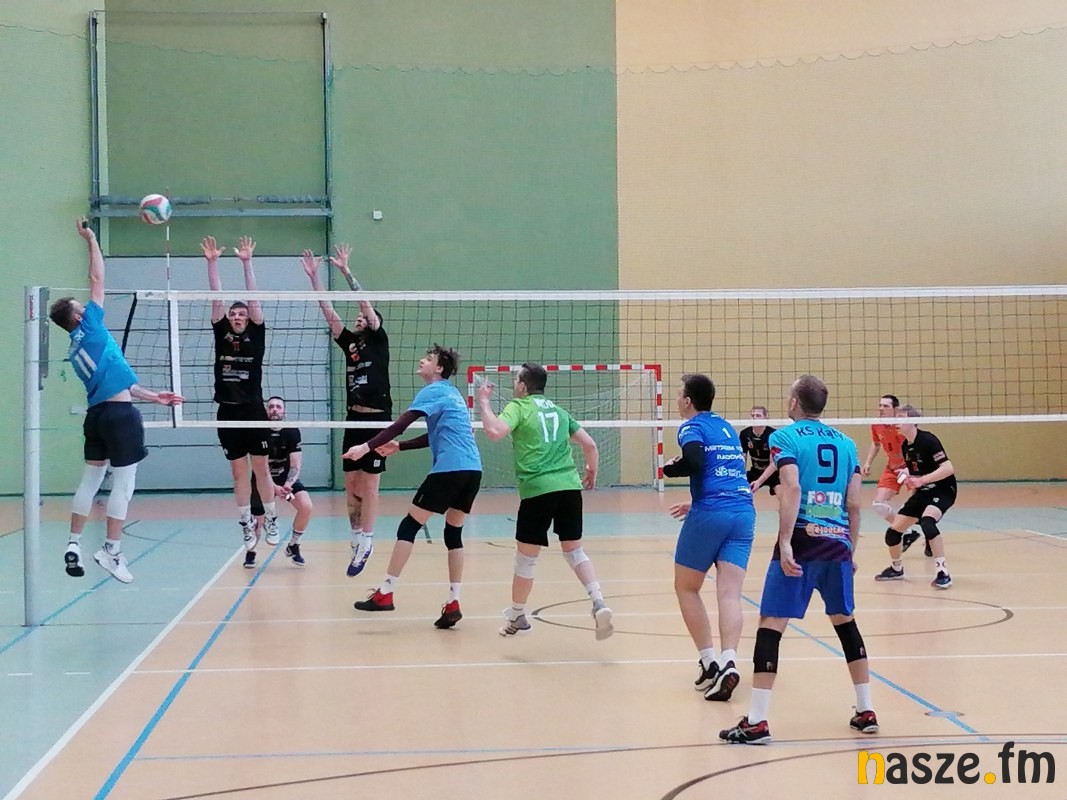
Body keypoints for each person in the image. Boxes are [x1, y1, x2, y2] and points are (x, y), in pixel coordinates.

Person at [720, 375, 877, 744]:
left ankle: (757, 721)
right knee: (845, 622)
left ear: (794, 403)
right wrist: (851, 550)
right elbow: (854, 504)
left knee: (771, 624)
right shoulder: (848, 444)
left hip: (803, 541)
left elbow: (791, 486)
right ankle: (866, 709)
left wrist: (786, 542)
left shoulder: (785, 438)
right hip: (837, 543)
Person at [49, 218, 184, 583]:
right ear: (79, 316)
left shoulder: (75, 350)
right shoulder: (91, 326)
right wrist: (91, 239)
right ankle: (111, 551)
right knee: (124, 483)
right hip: (120, 417)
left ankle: (74, 543)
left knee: (90, 480)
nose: (88, 304)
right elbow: (97, 278)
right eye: (82, 305)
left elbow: (117, 384)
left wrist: (153, 396)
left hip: (97, 416)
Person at [345, 345, 482, 629]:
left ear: (439, 368)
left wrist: (365, 447)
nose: (422, 360)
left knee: (408, 527)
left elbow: (400, 424)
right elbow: (437, 435)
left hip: (449, 469)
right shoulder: (452, 394)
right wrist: (400, 447)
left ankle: (386, 593)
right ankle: (453, 602)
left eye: (428, 359)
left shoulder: (433, 390)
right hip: (472, 470)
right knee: (453, 533)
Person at [476, 363, 613, 639]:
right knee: (574, 551)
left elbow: (494, 431)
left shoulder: (519, 407)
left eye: (516, 380)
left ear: (523, 385)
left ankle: (518, 615)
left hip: (538, 489)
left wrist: (484, 402)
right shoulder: (559, 412)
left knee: (526, 559)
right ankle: (598, 601)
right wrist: (591, 471)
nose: (513, 384)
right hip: (569, 488)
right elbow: (590, 445)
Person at [300, 244, 392, 577]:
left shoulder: (378, 339)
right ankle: (355, 537)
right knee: (351, 482)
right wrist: (314, 278)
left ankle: (367, 541)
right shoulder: (351, 344)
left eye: (365, 317)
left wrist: (345, 270)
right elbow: (328, 313)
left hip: (377, 419)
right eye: (359, 318)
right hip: (353, 418)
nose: (360, 318)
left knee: (370, 484)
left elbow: (365, 305)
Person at [663, 374, 756, 702]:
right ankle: (729, 662)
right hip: (743, 513)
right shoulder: (726, 427)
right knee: (730, 595)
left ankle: (708, 662)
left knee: (686, 587)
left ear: (688, 401)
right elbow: (726, 470)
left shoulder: (691, 427)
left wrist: (670, 469)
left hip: (712, 513)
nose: (677, 400)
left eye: (679, 395)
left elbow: (695, 461)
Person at [203, 235, 276, 553]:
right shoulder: (221, 331)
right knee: (237, 473)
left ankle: (271, 518)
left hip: (253, 410)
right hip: (227, 411)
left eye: (241, 315)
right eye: (234, 314)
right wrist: (212, 264)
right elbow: (216, 299)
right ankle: (246, 524)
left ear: (248, 319)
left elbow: (254, 299)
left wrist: (247, 262)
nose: (237, 317)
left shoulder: (256, 333)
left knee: (261, 469)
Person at [874, 405, 957, 589]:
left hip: (943, 490)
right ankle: (897, 569)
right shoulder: (906, 445)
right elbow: (916, 471)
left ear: (912, 421)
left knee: (928, 522)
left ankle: (943, 572)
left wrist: (921, 480)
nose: (896, 421)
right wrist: (908, 476)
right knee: (893, 533)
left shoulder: (928, 440)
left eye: (900, 418)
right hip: (923, 492)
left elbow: (948, 468)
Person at [247, 396, 313, 569]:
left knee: (306, 507)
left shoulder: (291, 431)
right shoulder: (258, 431)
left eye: (278, 407)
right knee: (258, 520)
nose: (274, 409)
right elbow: (260, 468)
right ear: (266, 411)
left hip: (285, 479)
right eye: (271, 407)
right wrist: (273, 487)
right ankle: (251, 552)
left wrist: (288, 485)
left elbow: (296, 464)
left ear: (284, 411)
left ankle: (293, 545)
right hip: (261, 479)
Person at [861, 394, 924, 555]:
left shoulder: (903, 426)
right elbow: (876, 444)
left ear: (895, 409)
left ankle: (931, 539)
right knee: (878, 505)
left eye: (885, 406)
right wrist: (867, 463)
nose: (881, 408)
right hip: (892, 469)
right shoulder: (876, 425)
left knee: (918, 507)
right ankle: (908, 532)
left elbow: (918, 444)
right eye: (880, 405)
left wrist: (915, 469)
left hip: (911, 468)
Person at [740, 405, 779, 496]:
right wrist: (740, 476)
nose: (754, 418)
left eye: (758, 415)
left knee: (781, 489)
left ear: (766, 417)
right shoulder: (745, 434)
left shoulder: (774, 435)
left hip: (773, 473)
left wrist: (759, 482)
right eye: (752, 415)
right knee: (739, 488)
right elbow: (742, 459)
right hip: (755, 471)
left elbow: (773, 464)